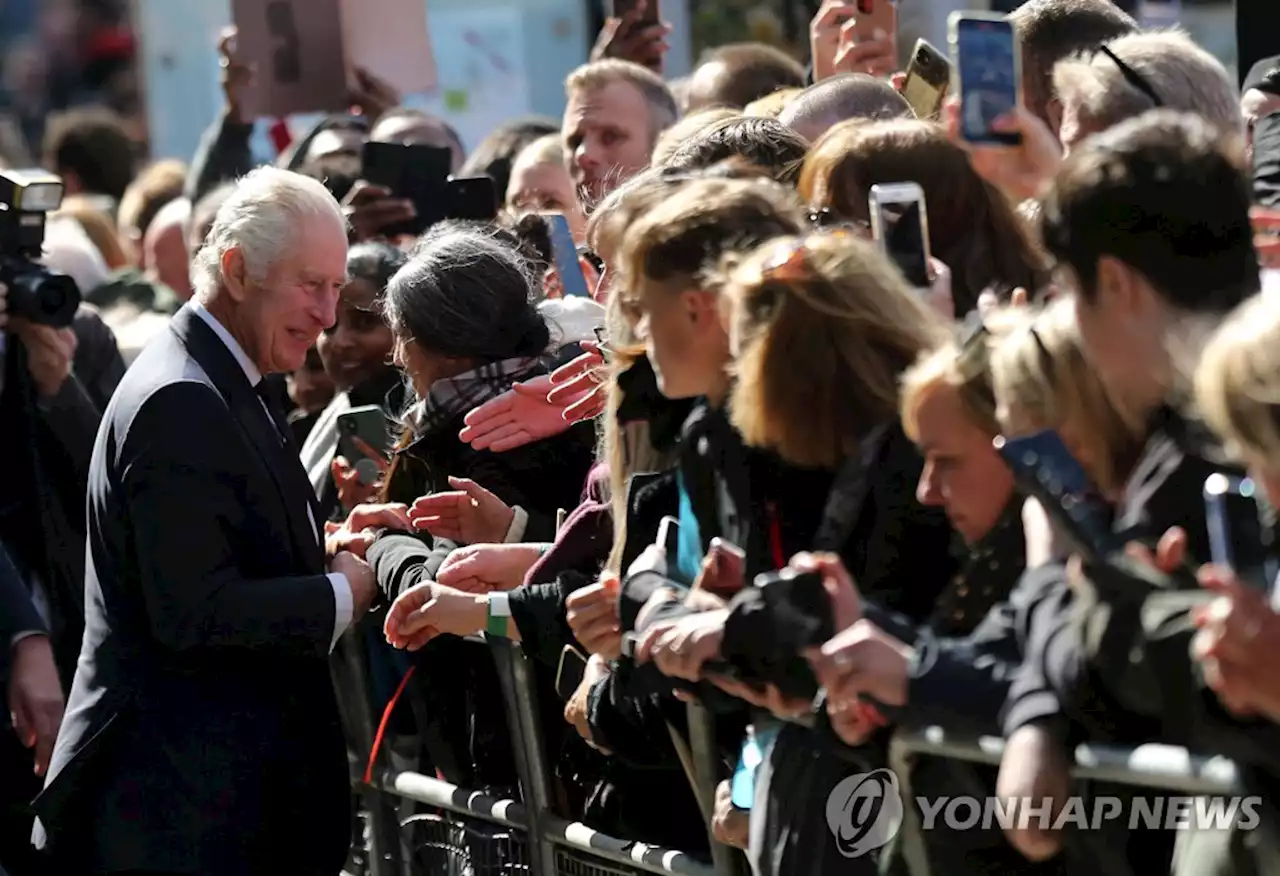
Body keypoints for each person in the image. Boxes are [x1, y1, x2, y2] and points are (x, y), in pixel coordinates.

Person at [31, 167, 377, 876]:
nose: (327, 315)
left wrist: (329, 542)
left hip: (216, 815)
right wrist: (343, 593)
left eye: (337, 289)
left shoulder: (227, 377)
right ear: (236, 271)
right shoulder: (181, 400)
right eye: (311, 285)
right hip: (180, 822)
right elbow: (195, 610)